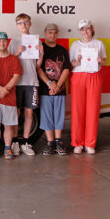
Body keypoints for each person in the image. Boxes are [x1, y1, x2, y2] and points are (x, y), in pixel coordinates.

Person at [69, 19, 107, 155]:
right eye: (82, 29)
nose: (85, 31)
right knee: (77, 110)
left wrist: (101, 60)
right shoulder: (74, 45)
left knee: (93, 110)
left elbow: (104, 61)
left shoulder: (99, 44)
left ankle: (90, 143)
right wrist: (77, 61)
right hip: (78, 77)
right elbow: (72, 63)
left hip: (94, 76)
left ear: (92, 28)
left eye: (87, 28)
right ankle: (77, 143)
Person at [8, 13, 43, 156]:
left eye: (26, 22)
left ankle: (26, 142)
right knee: (16, 113)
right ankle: (15, 141)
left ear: (30, 24)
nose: (23, 25)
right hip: (17, 83)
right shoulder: (13, 42)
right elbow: (8, 63)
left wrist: (41, 52)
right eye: (20, 23)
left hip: (31, 81)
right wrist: (16, 53)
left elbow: (37, 66)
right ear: (17, 25)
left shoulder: (36, 40)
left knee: (29, 112)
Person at [0, 32, 22, 159]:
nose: (2, 43)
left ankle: (8, 148)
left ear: (8, 42)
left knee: (8, 125)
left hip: (10, 98)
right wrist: (0, 89)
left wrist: (5, 89)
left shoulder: (14, 59)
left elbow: (16, 76)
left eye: (4, 41)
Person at [37, 24, 71, 156]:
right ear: (45, 33)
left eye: (55, 33)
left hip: (59, 90)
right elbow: (38, 68)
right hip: (45, 90)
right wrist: (50, 83)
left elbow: (66, 69)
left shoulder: (62, 50)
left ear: (57, 34)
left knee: (59, 116)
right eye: (50, 33)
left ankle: (58, 142)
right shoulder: (41, 49)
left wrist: (58, 86)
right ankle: (50, 143)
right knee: (47, 117)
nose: (52, 35)